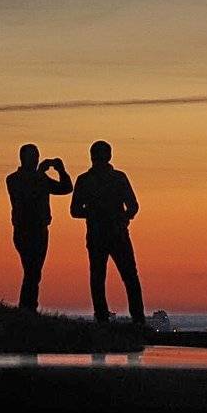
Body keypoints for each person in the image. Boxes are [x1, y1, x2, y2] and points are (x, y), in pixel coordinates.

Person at [69, 140, 145, 326]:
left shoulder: (93, 179)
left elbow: (133, 206)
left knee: (110, 277)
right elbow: (75, 210)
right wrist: (113, 215)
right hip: (108, 234)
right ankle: (133, 320)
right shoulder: (108, 178)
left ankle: (120, 319)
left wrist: (120, 217)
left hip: (109, 233)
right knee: (120, 276)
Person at [5, 144, 72, 313]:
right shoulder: (14, 179)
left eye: (36, 157)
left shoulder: (40, 179)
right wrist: (41, 173)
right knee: (32, 270)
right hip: (24, 230)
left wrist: (61, 171)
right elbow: (29, 195)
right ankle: (27, 308)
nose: (35, 160)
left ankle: (27, 308)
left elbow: (66, 188)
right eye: (32, 157)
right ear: (23, 158)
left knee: (34, 272)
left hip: (40, 230)